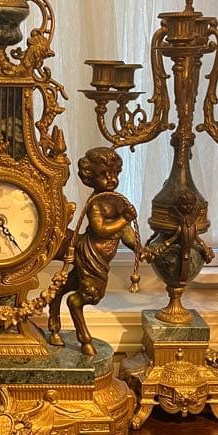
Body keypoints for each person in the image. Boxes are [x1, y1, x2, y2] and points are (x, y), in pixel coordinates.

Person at [48, 147, 140, 356]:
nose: (110, 179)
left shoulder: (117, 200)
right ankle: (84, 338)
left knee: (69, 285)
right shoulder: (96, 203)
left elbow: (125, 231)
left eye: (114, 173)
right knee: (89, 295)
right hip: (92, 255)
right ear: (90, 177)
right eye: (103, 175)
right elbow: (101, 230)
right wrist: (125, 218)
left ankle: (55, 318)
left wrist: (138, 248)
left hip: (101, 257)